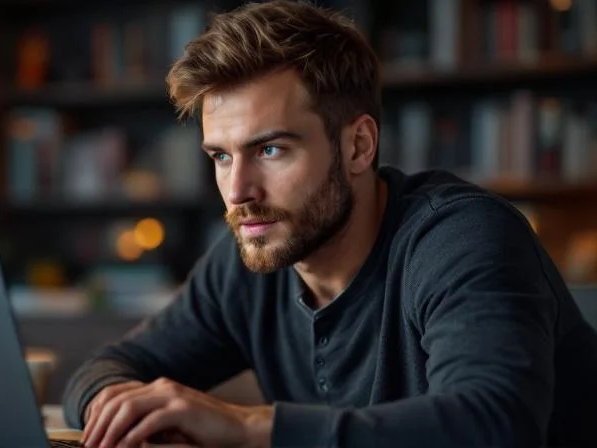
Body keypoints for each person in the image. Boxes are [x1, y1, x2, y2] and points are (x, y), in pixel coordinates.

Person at [62, 1, 597, 447]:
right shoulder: (251, 253)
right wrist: (127, 412)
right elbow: (111, 367)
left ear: (358, 145)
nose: (238, 192)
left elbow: (494, 423)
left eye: (270, 149)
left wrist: (251, 428)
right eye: (221, 156)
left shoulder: (461, 238)